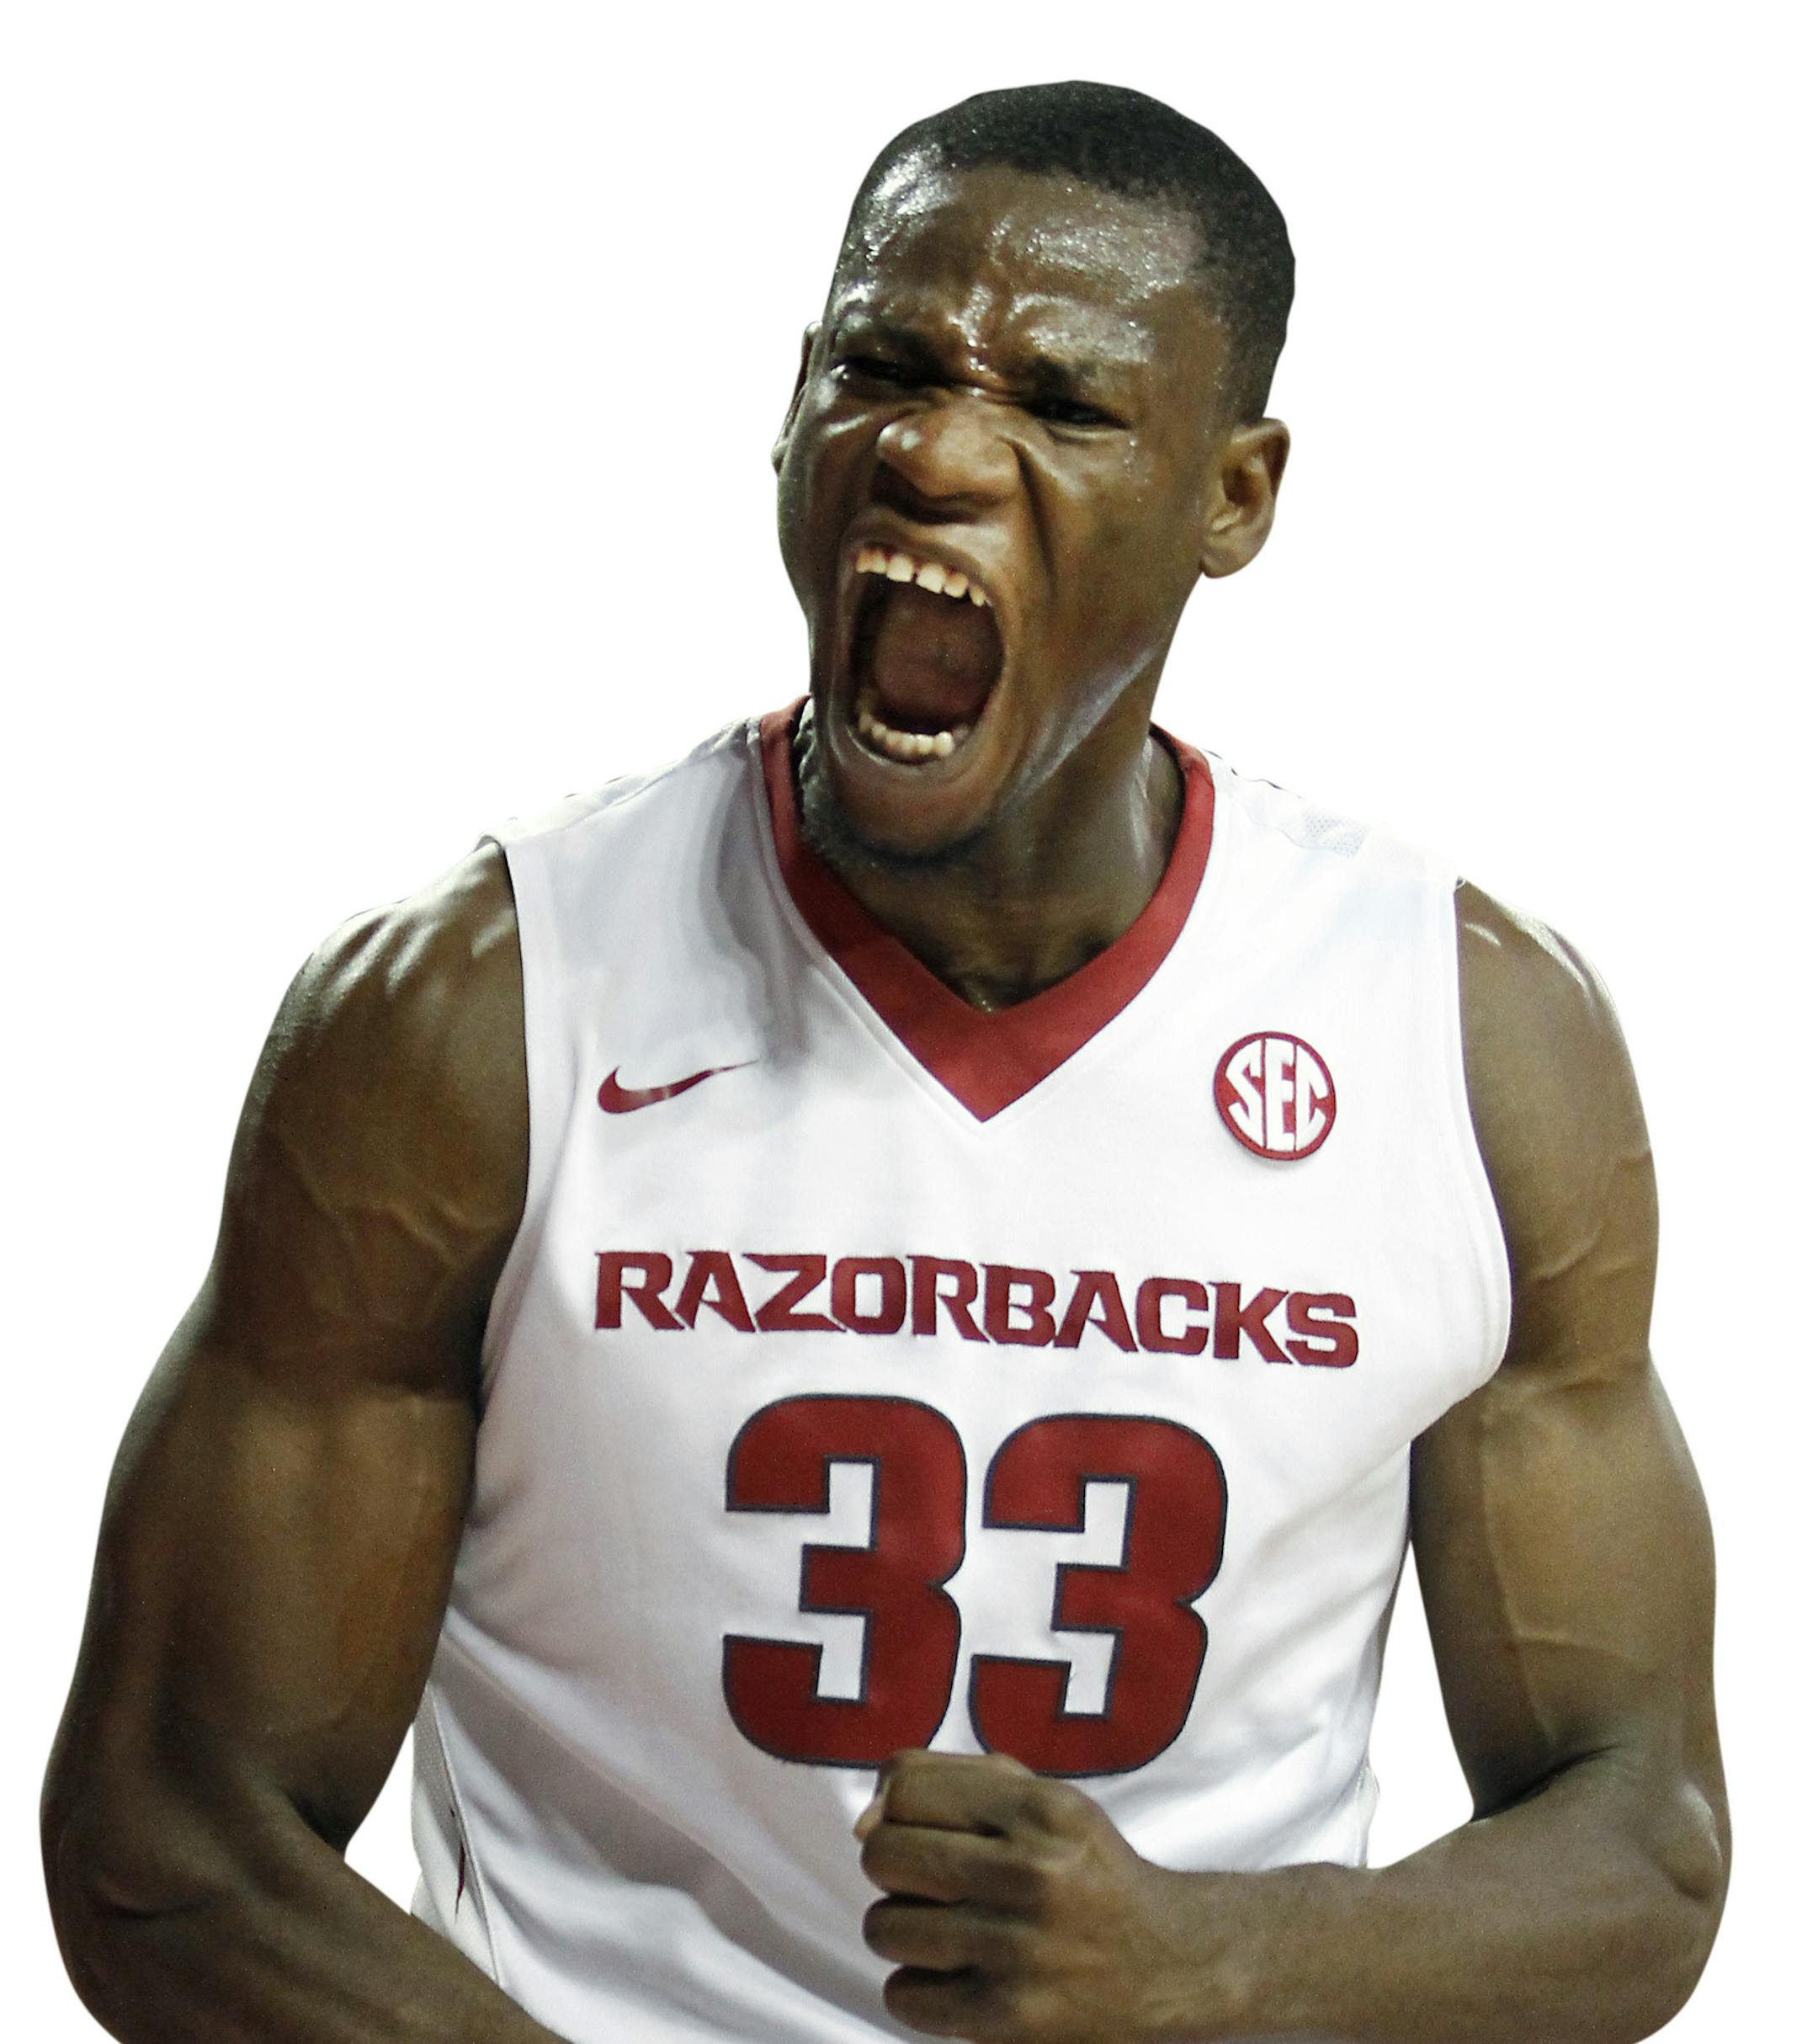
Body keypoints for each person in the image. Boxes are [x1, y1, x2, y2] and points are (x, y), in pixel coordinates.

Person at [42, 82, 1726, 2044]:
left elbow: (1642, 1847)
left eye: (1064, 403)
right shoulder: (473, 1012)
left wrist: (1214, 1965)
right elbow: (169, 1829)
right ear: (791, 407)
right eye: (882, 365)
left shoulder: (1468, 1038)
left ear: (1234, 495)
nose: (933, 447)